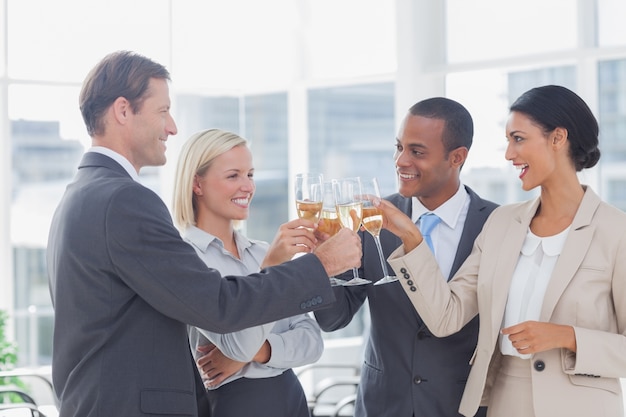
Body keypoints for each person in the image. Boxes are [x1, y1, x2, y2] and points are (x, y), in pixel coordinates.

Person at [46, 50, 362, 417]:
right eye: (162, 111)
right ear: (122, 110)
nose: (172, 127)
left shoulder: (80, 194)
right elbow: (218, 305)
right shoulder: (124, 199)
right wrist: (319, 266)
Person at [378, 85, 626, 417]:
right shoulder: (501, 223)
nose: (509, 154)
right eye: (508, 141)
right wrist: (411, 238)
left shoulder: (615, 231)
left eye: (519, 139)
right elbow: (445, 316)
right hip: (505, 404)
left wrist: (567, 336)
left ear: (558, 138)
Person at [314, 97, 497, 417]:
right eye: (399, 147)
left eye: (417, 151)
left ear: (457, 157)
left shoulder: (495, 226)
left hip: (461, 408)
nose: (400, 161)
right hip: (383, 405)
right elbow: (333, 319)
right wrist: (323, 262)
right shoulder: (369, 220)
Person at [172, 128, 323, 417]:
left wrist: (259, 352)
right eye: (233, 176)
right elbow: (237, 343)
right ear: (197, 184)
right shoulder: (187, 259)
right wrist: (274, 268)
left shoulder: (262, 251)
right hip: (233, 406)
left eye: (250, 175)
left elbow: (312, 341)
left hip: (291, 400)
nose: (248, 186)